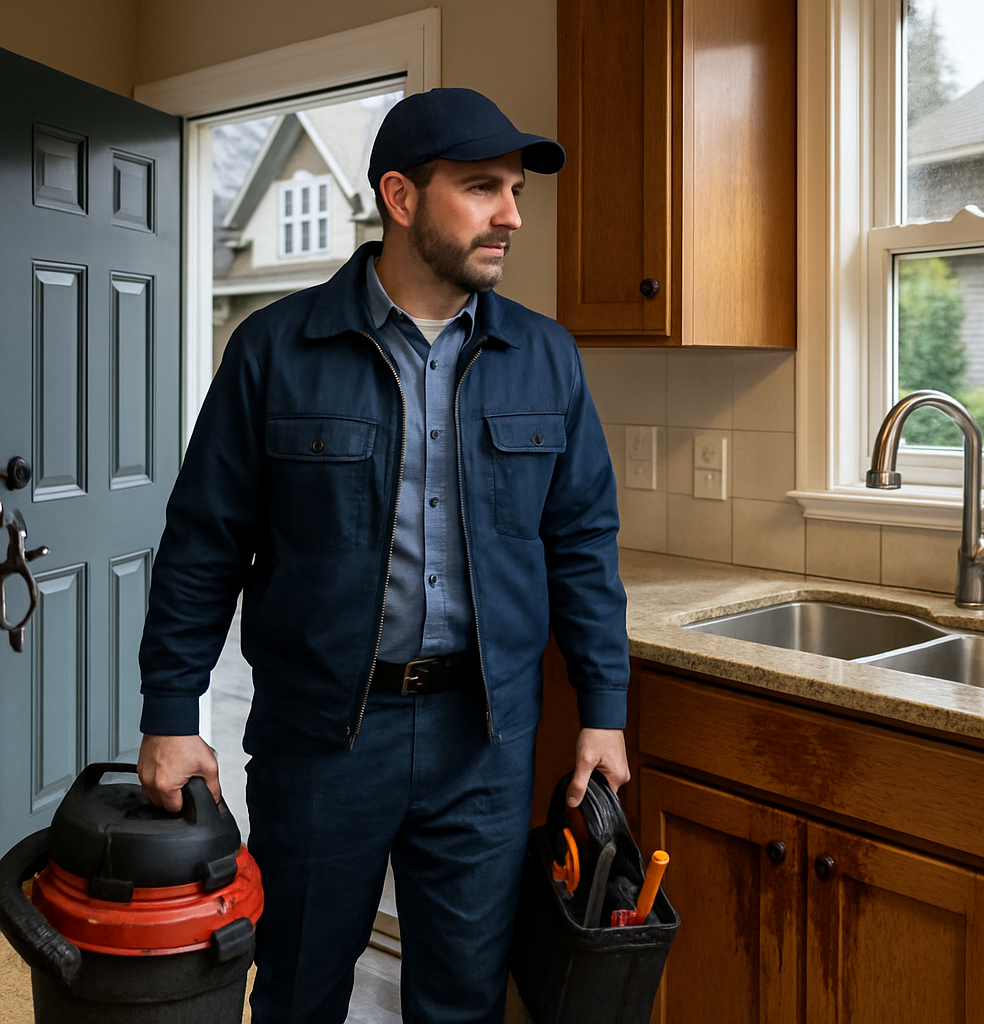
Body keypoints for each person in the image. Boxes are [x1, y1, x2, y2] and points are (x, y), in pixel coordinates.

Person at [136, 87, 630, 1024]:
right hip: (324, 737)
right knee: (297, 991)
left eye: (515, 191)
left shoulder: (548, 358)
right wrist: (171, 710)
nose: (511, 216)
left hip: (484, 739)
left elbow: (582, 544)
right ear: (400, 198)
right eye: (482, 188)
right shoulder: (274, 350)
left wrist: (603, 710)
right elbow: (204, 544)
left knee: (463, 1002)